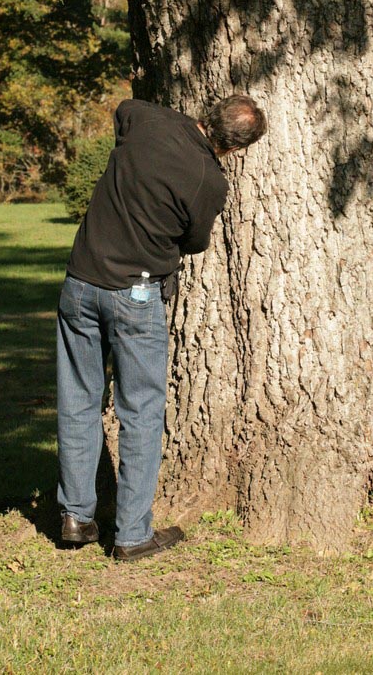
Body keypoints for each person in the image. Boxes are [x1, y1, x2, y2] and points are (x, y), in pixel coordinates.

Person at [56, 93, 267, 562]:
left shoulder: (149, 120)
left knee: (78, 399)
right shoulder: (209, 182)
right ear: (238, 148)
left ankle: (75, 516)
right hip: (135, 293)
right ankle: (131, 534)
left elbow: (121, 110)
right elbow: (194, 242)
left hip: (80, 281)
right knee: (142, 412)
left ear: (209, 112)